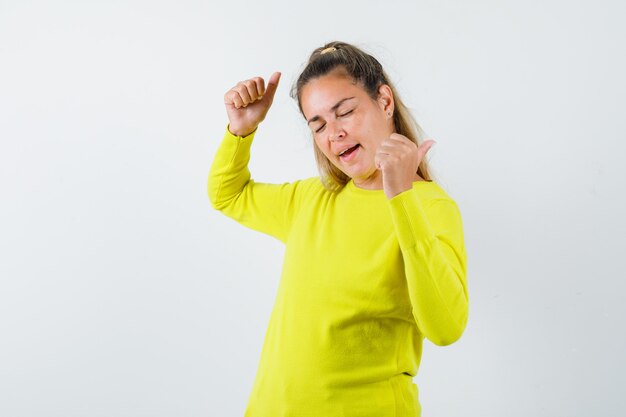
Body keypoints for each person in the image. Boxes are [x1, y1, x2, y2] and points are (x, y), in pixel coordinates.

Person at [208, 41, 468, 417]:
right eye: (318, 125)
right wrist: (241, 131)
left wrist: (401, 196)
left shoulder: (429, 207)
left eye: (344, 112)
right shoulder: (311, 200)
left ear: (384, 101)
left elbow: (446, 326)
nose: (334, 134)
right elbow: (226, 194)